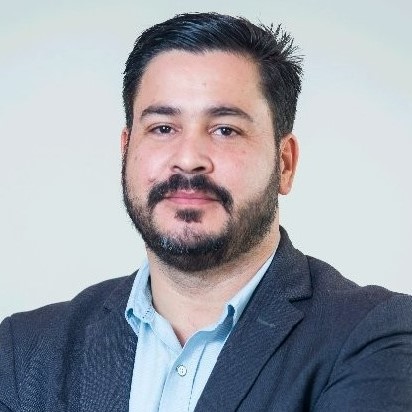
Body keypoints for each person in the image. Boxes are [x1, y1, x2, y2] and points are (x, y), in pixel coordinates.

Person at [1, 12, 411, 412]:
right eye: (163, 128)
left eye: (225, 130)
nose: (188, 159)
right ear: (126, 152)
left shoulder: (376, 336)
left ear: (284, 164)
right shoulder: (24, 350)